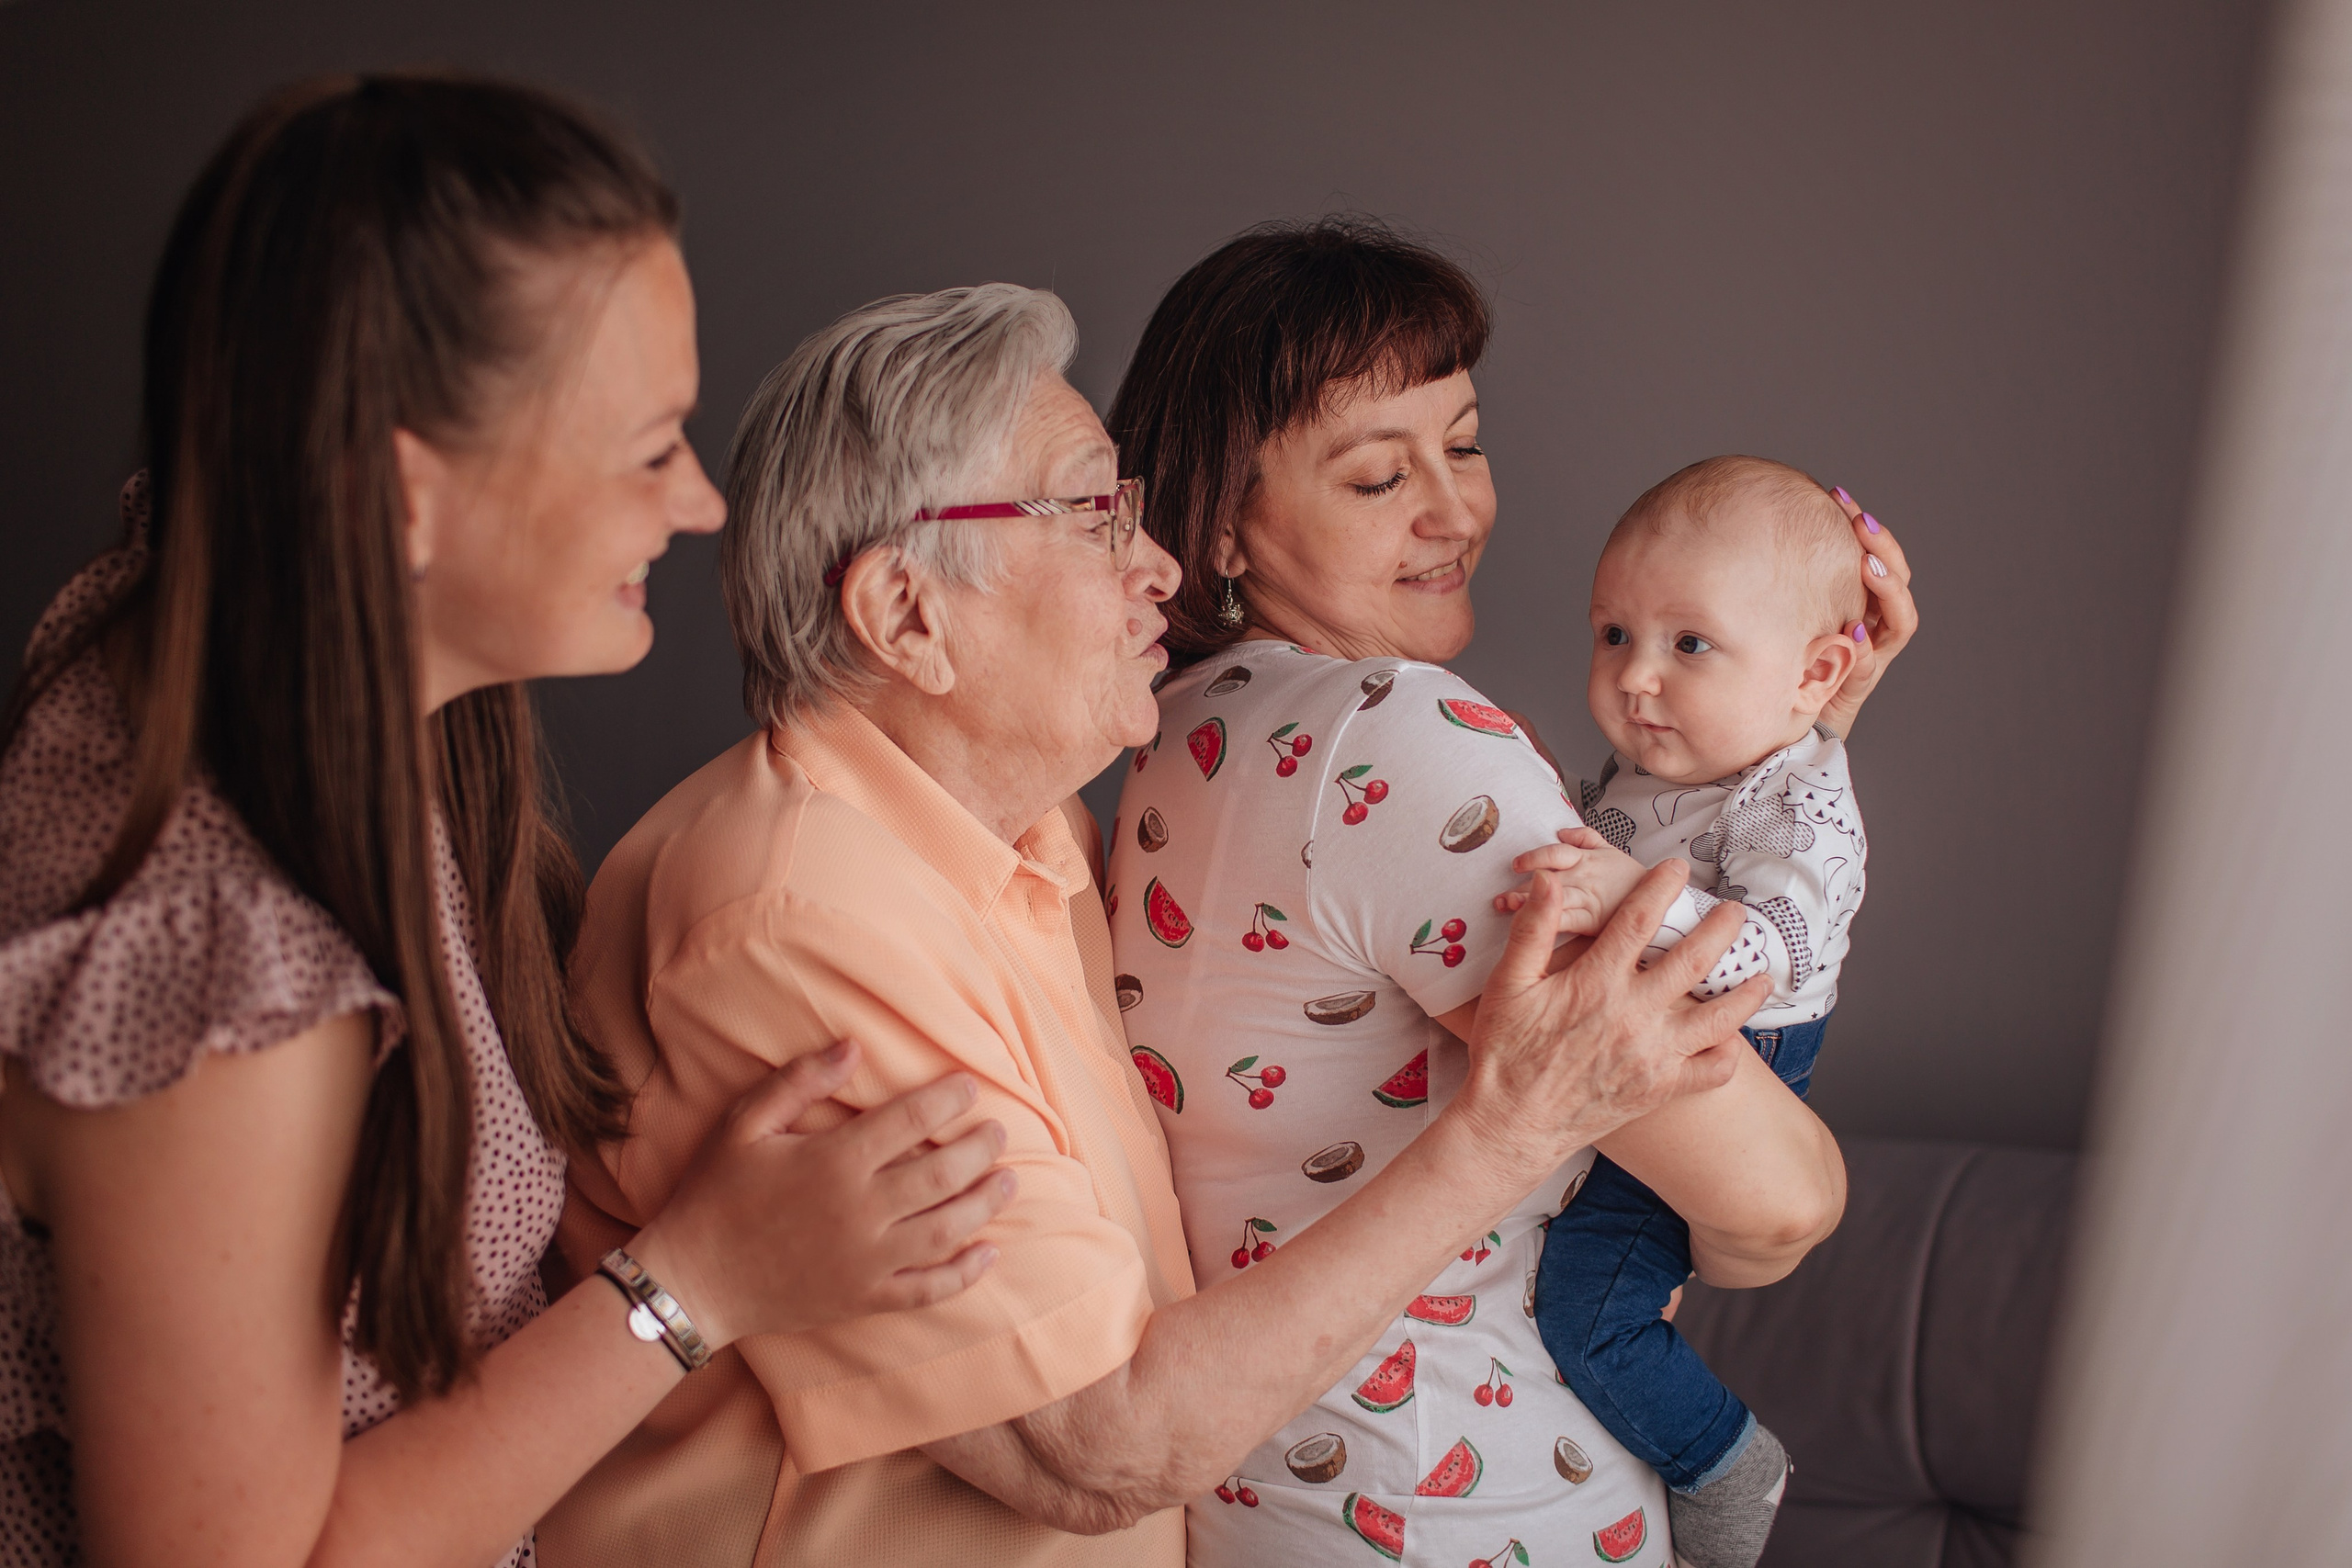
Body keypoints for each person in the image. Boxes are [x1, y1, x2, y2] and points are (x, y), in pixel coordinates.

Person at [537, 284, 1766, 1568]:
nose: (1160, 566)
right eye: (1087, 516)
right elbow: (1097, 1446)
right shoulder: (793, 917)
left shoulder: (1037, 832)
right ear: (908, 614)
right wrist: (1514, 1128)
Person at [0, 75, 1019, 1568]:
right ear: (404, 496)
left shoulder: (226, 609)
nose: (701, 505)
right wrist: (701, 1281)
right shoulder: (226, 994)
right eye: (649, 445)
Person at [1103, 220, 1917, 1568]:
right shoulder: (1397, 737)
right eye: (1378, 477)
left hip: (1281, 1498)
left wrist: (1786, 724)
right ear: (1223, 519)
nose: (1454, 511)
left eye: (1463, 444)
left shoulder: (1171, 732)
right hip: (1473, 1508)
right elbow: (1774, 1198)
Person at [1495, 454, 1886, 1567]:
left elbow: (1771, 948)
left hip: (1739, 1053)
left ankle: (1723, 1460)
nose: (1635, 678)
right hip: (1651, 1034)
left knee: (1588, 1309)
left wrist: (1627, 901)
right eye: (1612, 634)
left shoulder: (1801, 801)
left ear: (1815, 672)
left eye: (1688, 644)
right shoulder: (1661, 758)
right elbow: (1599, 840)